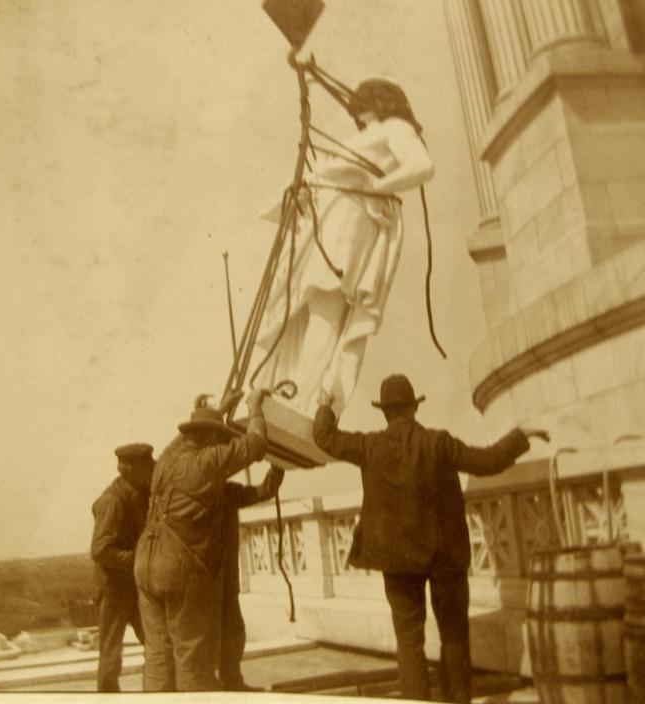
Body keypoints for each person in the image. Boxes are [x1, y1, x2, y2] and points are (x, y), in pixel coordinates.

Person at [312, 374, 549, 703]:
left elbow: (324, 437)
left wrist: (326, 405)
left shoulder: (369, 446)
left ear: (384, 412)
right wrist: (521, 435)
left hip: (396, 561)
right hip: (444, 558)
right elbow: (487, 461)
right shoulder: (438, 442)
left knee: (409, 642)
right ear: (413, 408)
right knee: (454, 637)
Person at [255, 78, 435, 417]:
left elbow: (423, 166)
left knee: (325, 302)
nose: (356, 103)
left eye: (364, 97)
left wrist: (378, 187)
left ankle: (302, 399)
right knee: (303, 306)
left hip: (349, 222)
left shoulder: (396, 127)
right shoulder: (365, 135)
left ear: (382, 100)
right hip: (326, 219)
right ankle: (288, 388)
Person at [135, 388, 269, 691]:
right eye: (218, 436)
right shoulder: (205, 461)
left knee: (157, 652)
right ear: (210, 437)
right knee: (192, 653)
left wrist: (219, 409)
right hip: (176, 564)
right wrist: (254, 405)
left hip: (145, 562)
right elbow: (257, 444)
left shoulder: (167, 460)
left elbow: (186, 438)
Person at [90, 442, 155, 692]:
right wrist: (135, 559)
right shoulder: (112, 501)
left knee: (156, 644)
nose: (151, 471)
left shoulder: (138, 492)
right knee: (110, 655)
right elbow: (100, 550)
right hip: (114, 590)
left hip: (134, 586)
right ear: (129, 470)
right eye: (146, 467)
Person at [219, 464, 286, 691]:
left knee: (234, 632)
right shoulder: (199, 490)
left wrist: (278, 467)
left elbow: (262, 491)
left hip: (225, 580)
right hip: (200, 581)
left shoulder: (226, 491)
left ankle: (231, 682)